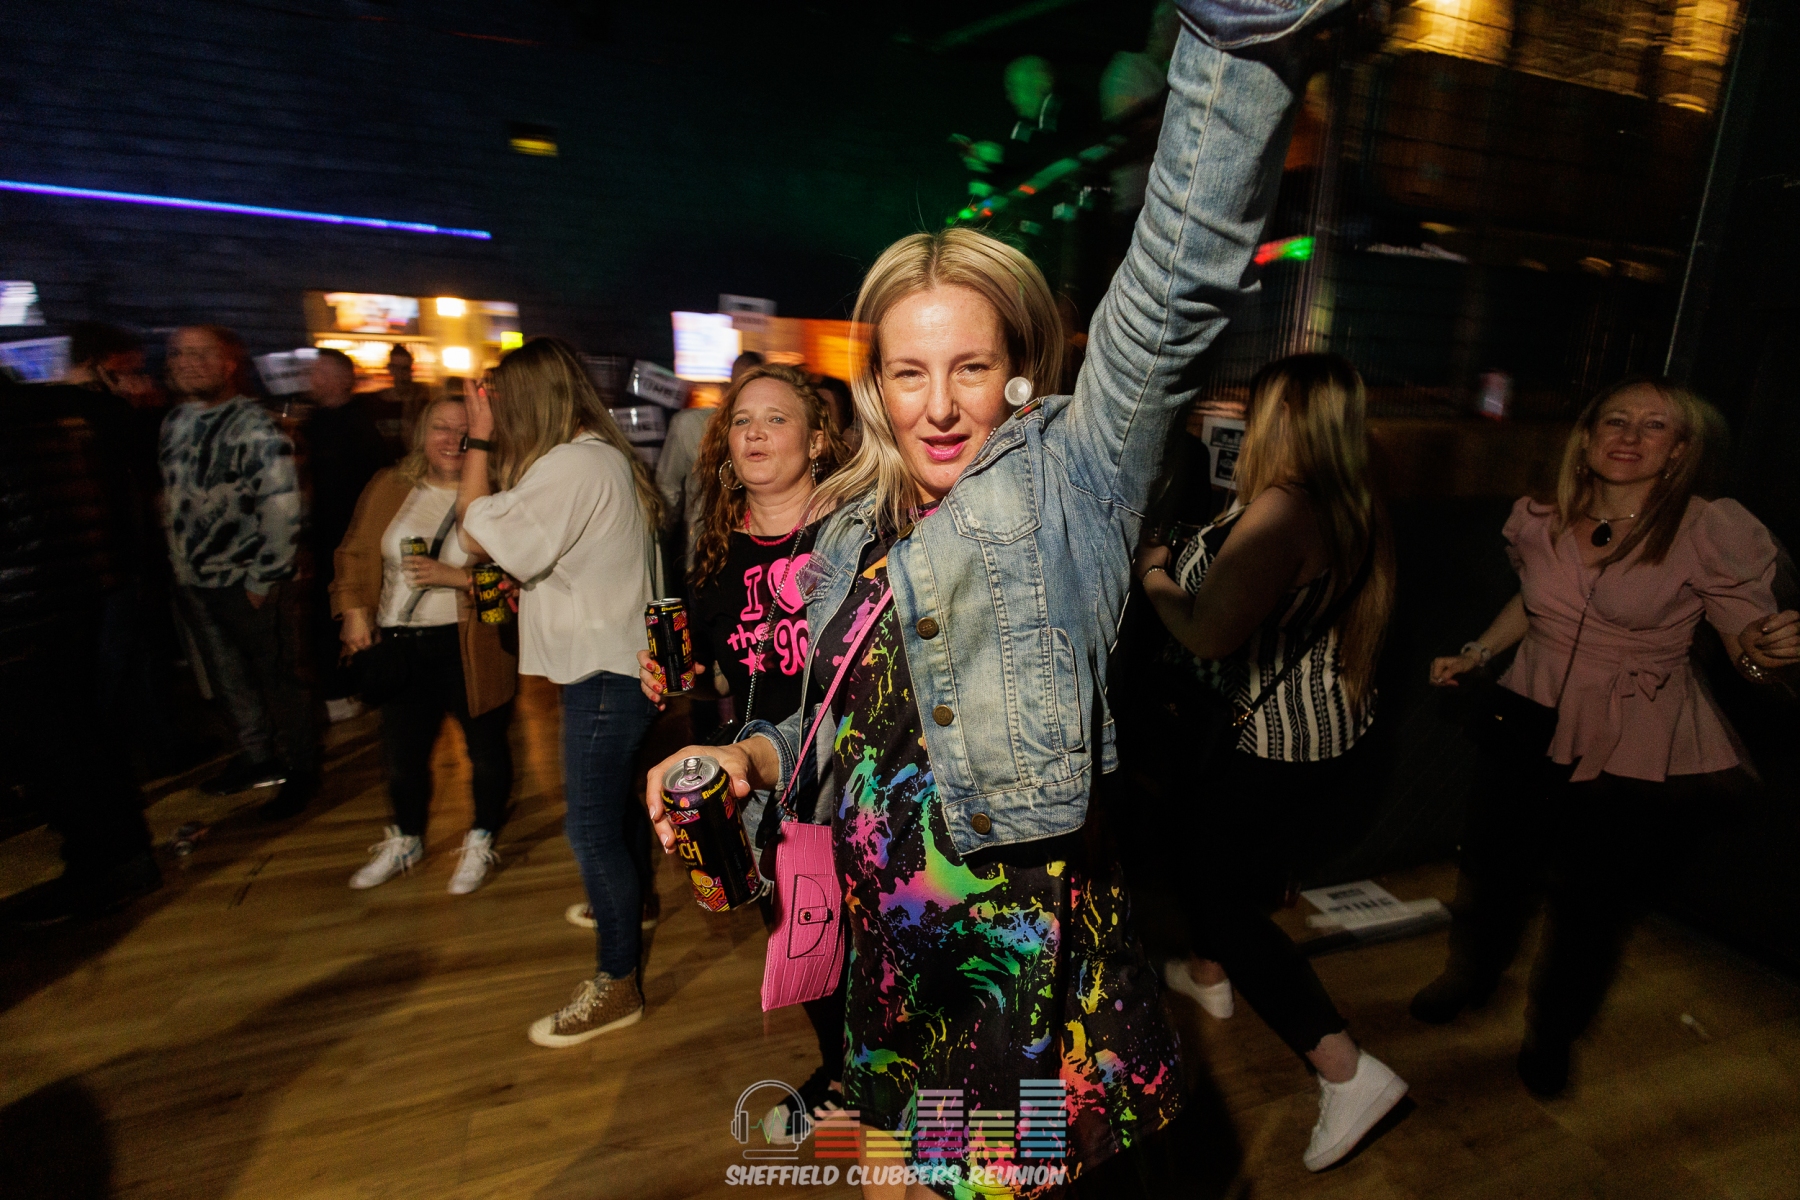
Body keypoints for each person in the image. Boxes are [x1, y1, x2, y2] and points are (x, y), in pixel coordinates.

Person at [641, 10, 1337, 1193]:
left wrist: (1241, 37)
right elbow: (842, 727)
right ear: (874, 386)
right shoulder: (849, 531)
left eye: (970, 366)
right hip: (888, 968)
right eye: (909, 371)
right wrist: (749, 757)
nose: (940, 405)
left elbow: (1176, 280)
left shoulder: (1073, 483)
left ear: (1018, 372)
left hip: (1020, 989)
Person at [1414, 379, 1799, 1097]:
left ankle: (1552, 1032)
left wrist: (1764, 650)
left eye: (1654, 426)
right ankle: (1472, 975)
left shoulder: (1706, 529)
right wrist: (1478, 651)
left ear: (1680, 450)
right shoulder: (1542, 516)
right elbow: (1533, 601)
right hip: (1525, 712)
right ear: (1588, 437)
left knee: (1591, 903)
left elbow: (1743, 640)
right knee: (1494, 870)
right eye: (1616, 420)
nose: (1629, 435)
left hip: (1631, 736)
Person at [1132, 354, 1408, 1170]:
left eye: (1256, 409)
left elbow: (1207, 633)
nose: (1243, 421)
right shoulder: (1348, 496)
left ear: (1282, 419)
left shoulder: (1284, 510)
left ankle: (1347, 1069)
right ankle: (1208, 971)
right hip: (1318, 728)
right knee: (1211, 861)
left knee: (1219, 898)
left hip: (1266, 738)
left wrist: (1154, 571)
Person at [637, 362, 850, 1124]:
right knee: (805, 944)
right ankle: (841, 1078)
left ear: (818, 440)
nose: (755, 433)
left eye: (777, 418)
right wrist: (682, 678)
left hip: (857, 775)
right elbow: (723, 678)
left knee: (879, 948)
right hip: (766, 785)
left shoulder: (856, 539)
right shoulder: (718, 556)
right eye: (741, 421)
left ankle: (896, 1088)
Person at [454, 336, 665, 1047]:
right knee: (618, 812)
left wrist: (478, 441)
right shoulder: (601, 457)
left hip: (604, 675)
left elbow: (474, 532)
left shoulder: (572, 463)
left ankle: (618, 983)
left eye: (503, 403)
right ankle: (633, 910)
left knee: (590, 830)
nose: (499, 414)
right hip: (620, 666)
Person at [332, 394, 518, 894]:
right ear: (421, 433)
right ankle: (407, 838)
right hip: (400, 642)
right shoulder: (391, 485)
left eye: (464, 430)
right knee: (402, 756)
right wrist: (354, 611)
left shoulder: (498, 494)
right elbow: (353, 553)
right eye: (441, 427)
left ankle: (481, 837)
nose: (452, 440)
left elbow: (517, 582)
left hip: (471, 646)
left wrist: (455, 578)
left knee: (486, 751)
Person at [0, 373, 160, 923]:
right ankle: (120, 860)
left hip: (21, 610)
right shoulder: (48, 413)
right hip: (68, 598)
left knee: (58, 750)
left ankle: (104, 867)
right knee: (81, 737)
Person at [158, 325, 318, 819]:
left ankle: (302, 772)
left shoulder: (256, 425)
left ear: (228, 363)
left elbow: (284, 507)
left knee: (279, 679)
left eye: (201, 353)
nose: (187, 362)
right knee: (228, 679)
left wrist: (262, 578)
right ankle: (257, 758)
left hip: (249, 580)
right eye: (179, 353)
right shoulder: (175, 422)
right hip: (196, 579)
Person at [303, 348, 395, 722]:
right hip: (321, 539)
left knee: (353, 611)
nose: (313, 380)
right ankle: (341, 689)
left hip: (352, 540)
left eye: (322, 373)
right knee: (327, 615)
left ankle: (357, 687)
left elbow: (377, 489)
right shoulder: (309, 425)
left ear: (344, 379)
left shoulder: (361, 426)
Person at [658, 350, 766, 572]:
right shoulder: (690, 426)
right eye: (739, 386)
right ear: (726, 388)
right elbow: (667, 492)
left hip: (753, 558)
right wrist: (659, 545)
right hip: (701, 558)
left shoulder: (766, 436)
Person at [368, 344, 431, 453]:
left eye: (404, 369)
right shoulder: (374, 402)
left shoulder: (422, 403)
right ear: (390, 369)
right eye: (396, 368)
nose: (401, 374)